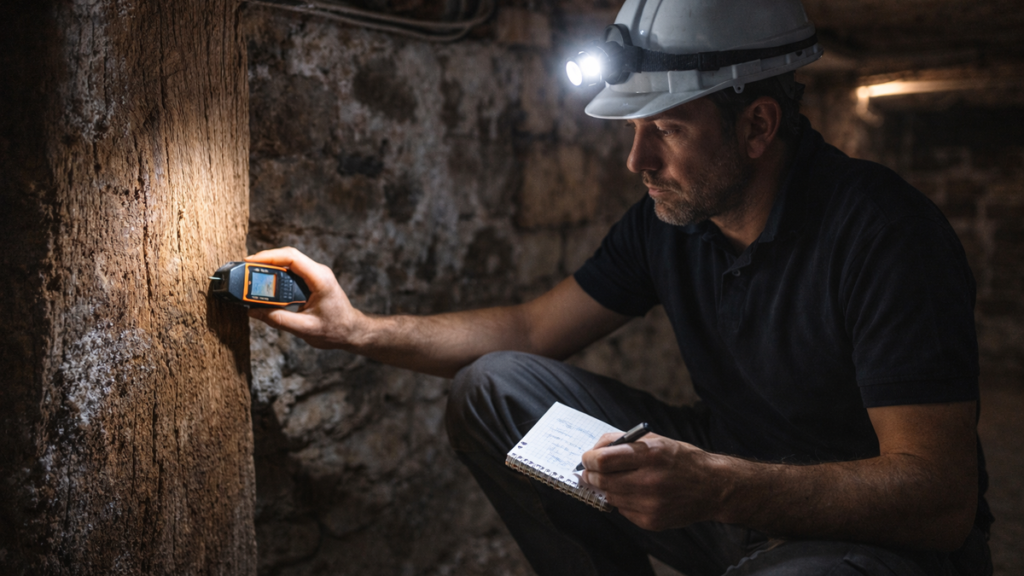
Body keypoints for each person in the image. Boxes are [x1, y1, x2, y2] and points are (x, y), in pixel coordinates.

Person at [247, 1, 993, 574]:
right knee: (494, 387)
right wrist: (358, 328)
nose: (636, 159)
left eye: (665, 128)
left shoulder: (886, 235)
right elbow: (533, 333)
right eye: (631, 128)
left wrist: (720, 486)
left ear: (759, 125)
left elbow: (939, 498)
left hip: (866, 539)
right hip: (723, 490)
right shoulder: (669, 223)